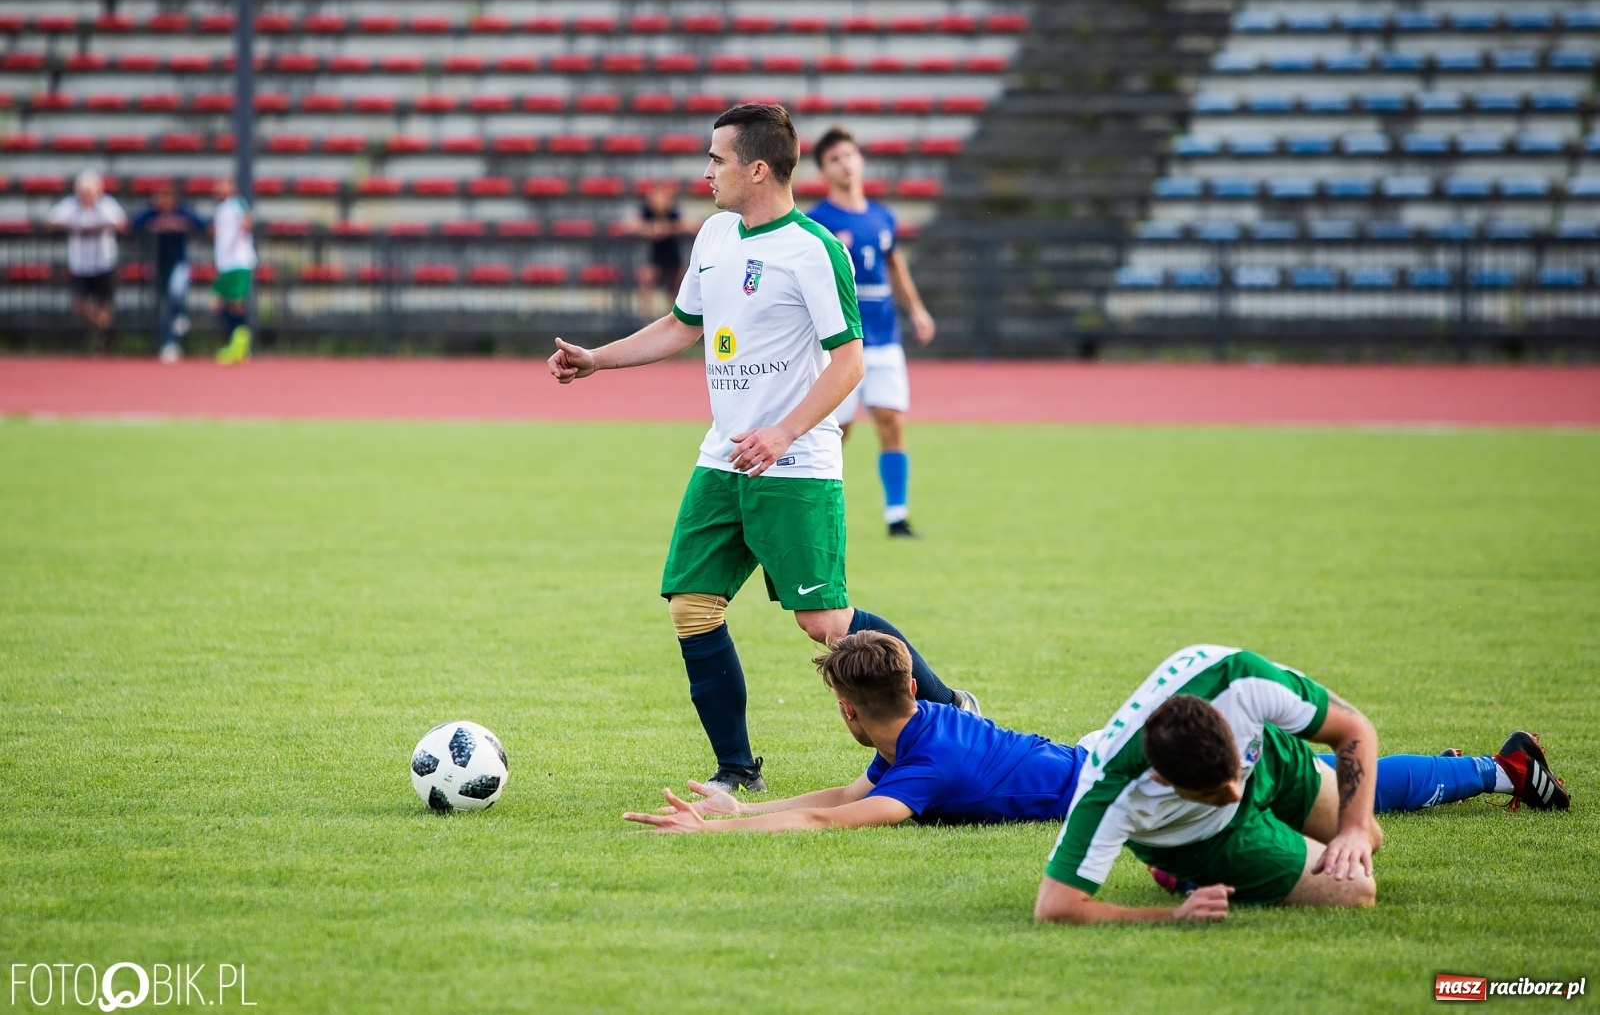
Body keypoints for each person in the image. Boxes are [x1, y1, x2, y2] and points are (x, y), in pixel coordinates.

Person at [548, 103, 978, 795]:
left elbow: (849, 364)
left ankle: (952, 709)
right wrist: (598, 358)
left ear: (756, 168)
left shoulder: (815, 249)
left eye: (715, 159)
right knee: (692, 605)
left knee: (826, 623)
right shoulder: (716, 234)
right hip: (723, 456)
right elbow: (683, 324)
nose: (705, 171)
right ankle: (737, 769)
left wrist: (783, 432)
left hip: (796, 465)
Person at [624, 633, 1569, 837]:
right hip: (1089, 746)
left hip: (1118, 778)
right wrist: (742, 799)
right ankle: (1478, 768)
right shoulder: (920, 730)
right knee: (1320, 776)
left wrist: (721, 828)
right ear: (911, 680)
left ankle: (1492, 772)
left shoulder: (933, 765)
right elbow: (842, 796)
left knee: (1318, 793)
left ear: (851, 708)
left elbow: (840, 820)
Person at [1034, 644, 1571, 925]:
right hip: (1198, 838)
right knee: (1356, 890)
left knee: (1369, 842)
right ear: (1160, 779)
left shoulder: (1238, 680)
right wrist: (1170, 919)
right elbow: (1056, 907)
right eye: (1216, 791)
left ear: (1227, 723)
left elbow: (1353, 729)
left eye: (1231, 777)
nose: (1234, 794)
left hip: (1271, 760)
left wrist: (1356, 830)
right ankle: (1184, 876)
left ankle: (1501, 769)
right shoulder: (1109, 793)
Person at [806, 128, 937, 538]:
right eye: (834, 159)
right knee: (835, 432)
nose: (845, 163)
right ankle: (817, 510)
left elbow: (894, 265)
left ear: (860, 160)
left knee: (890, 420)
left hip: (884, 338)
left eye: (849, 155)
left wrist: (916, 309)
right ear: (823, 171)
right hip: (841, 344)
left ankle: (896, 515)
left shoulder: (883, 217)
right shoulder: (817, 221)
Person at [45, 169, 128, 351]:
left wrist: (98, 225)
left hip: (104, 261)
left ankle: (102, 343)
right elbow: (50, 221)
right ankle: (106, 330)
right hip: (80, 263)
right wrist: (74, 224)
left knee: (104, 303)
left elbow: (121, 223)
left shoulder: (106, 205)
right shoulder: (71, 206)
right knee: (80, 305)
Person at [131, 184, 207, 363]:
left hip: (178, 261)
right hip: (158, 264)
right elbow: (134, 224)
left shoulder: (182, 210)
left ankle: (181, 315)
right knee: (162, 304)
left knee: (178, 291)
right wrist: (155, 224)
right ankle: (168, 343)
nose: (162, 201)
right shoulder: (152, 212)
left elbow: (201, 223)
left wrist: (178, 224)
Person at [211, 176, 255, 365]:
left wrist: (239, 236)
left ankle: (239, 346)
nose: (218, 188)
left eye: (222, 184)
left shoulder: (236, 203)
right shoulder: (221, 208)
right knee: (221, 303)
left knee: (236, 303)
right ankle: (235, 344)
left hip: (238, 261)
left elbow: (247, 220)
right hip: (225, 262)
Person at [632, 181, 689, 319]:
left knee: (678, 285)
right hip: (654, 260)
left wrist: (668, 228)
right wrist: (651, 229)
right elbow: (631, 225)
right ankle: (646, 319)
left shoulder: (672, 213)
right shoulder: (647, 212)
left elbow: (688, 225)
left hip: (672, 259)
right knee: (645, 277)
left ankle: (672, 319)